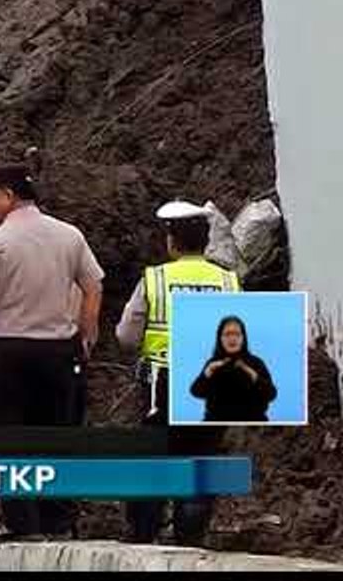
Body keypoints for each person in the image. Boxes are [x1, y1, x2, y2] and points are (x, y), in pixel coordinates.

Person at [0, 164, 104, 540]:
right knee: (57, 433)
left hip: (8, 350)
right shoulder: (69, 236)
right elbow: (93, 286)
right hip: (59, 350)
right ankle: (58, 521)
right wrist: (86, 334)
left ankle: (23, 523)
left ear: (8, 196)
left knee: (10, 436)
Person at [116, 200, 241, 547]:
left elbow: (125, 336)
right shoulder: (228, 281)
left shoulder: (155, 278)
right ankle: (190, 534)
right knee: (201, 455)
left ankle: (144, 531)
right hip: (214, 384)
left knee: (153, 457)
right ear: (206, 242)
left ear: (172, 241)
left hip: (163, 382)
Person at [190, 315, 276, 422]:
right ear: (220, 338)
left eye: (237, 334)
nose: (232, 338)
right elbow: (196, 392)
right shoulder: (213, 364)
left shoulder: (256, 362)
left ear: (243, 338)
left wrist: (251, 374)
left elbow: (271, 394)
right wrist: (207, 372)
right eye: (227, 334)